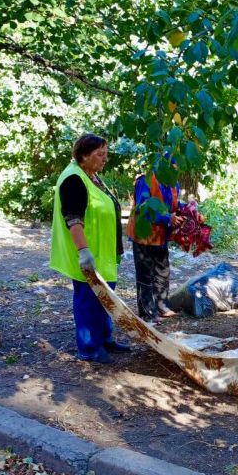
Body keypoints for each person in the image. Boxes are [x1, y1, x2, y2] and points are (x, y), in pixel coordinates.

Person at [50, 133, 130, 364]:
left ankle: (104, 339)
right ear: (83, 156)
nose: (105, 159)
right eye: (99, 154)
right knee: (88, 301)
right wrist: (84, 252)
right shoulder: (74, 178)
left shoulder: (91, 176)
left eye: (106, 154)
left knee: (105, 300)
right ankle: (88, 348)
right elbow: (73, 219)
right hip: (90, 255)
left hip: (103, 255)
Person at [126, 160, 184, 323]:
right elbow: (142, 208)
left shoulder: (173, 183)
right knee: (145, 273)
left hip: (161, 234)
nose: (175, 171)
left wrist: (186, 209)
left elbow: (174, 203)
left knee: (162, 270)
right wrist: (167, 217)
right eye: (172, 168)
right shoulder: (145, 180)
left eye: (176, 168)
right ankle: (147, 311)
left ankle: (162, 306)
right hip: (143, 233)